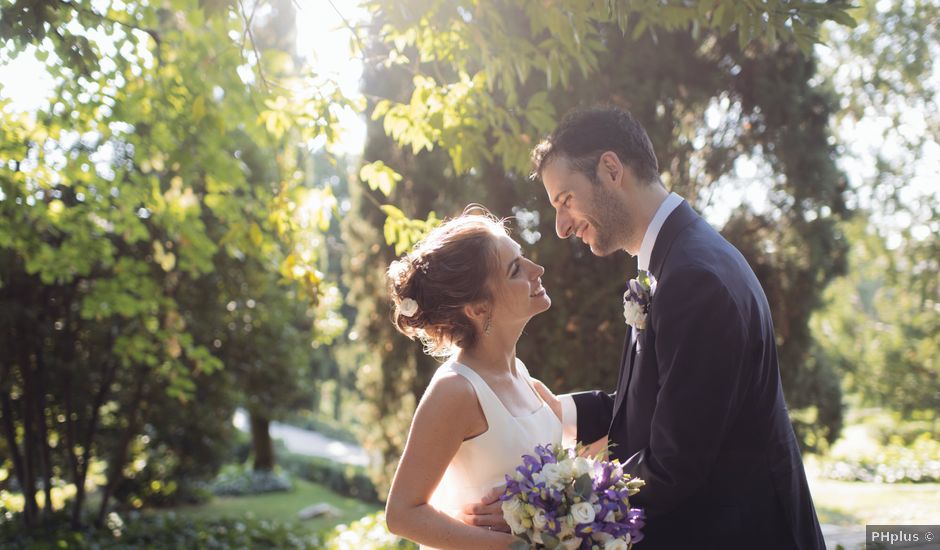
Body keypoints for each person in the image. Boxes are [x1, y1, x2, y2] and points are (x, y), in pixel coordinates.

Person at [469, 107, 826, 549]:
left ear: (611, 169)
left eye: (565, 200)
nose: (561, 227)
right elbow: (674, 399)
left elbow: (674, 467)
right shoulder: (676, 261)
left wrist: (542, 505)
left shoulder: (694, 278)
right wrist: (562, 413)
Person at [383, 208, 562, 550]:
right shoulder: (456, 389)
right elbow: (402, 514)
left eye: (523, 258)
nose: (537, 270)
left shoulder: (522, 376)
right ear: (478, 308)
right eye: (515, 269)